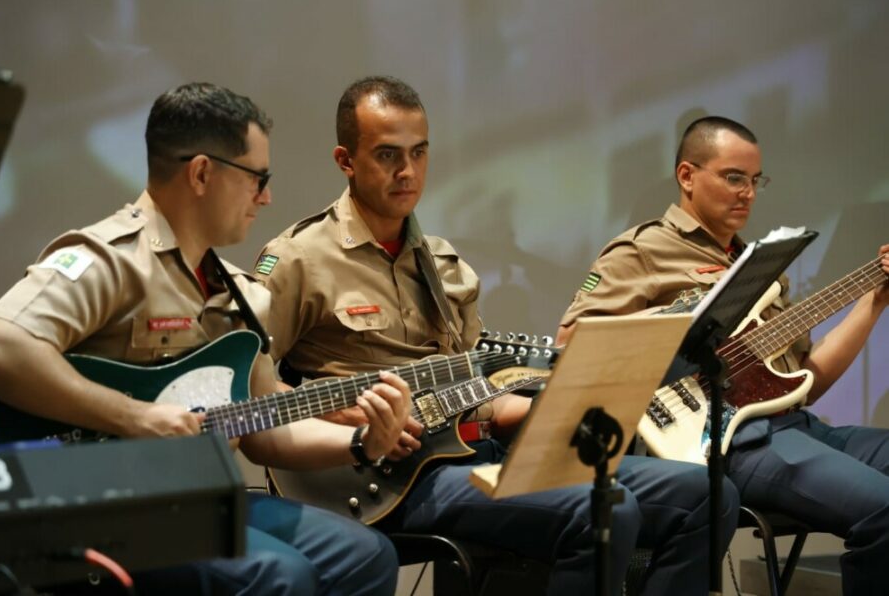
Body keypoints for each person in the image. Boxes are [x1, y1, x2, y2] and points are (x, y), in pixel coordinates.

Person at [254, 76, 740, 595]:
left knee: (706, 493)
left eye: (419, 153)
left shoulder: (442, 264)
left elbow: (486, 400)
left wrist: (570, 405)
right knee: (605, 509)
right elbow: (252, 392)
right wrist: (356, 418)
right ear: (345, 161)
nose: (408, 171)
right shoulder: (299, 259)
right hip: (386, 480)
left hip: (474, 453)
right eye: (387, 155)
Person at [0, 82, 407, 595]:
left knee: (367, 556)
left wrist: (362, 443)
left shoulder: (242, 294)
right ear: (203, 172)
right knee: (280, 576)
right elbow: (0, 345)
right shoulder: (110, 259)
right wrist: (135, 417)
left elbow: (263, 423)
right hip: (88, 501)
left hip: (191, 499)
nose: (267, 196)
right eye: (258, 178)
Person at [557, 115, 889, 594]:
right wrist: (681, 331)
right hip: (733, 443)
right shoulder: (643, 250)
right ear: (687, 176)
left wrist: (874, 300)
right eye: (734, 178)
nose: (748, 193)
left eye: (755, 181)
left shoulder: (756, 264)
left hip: (795, 428)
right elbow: (571, 345)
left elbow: (808, 382)